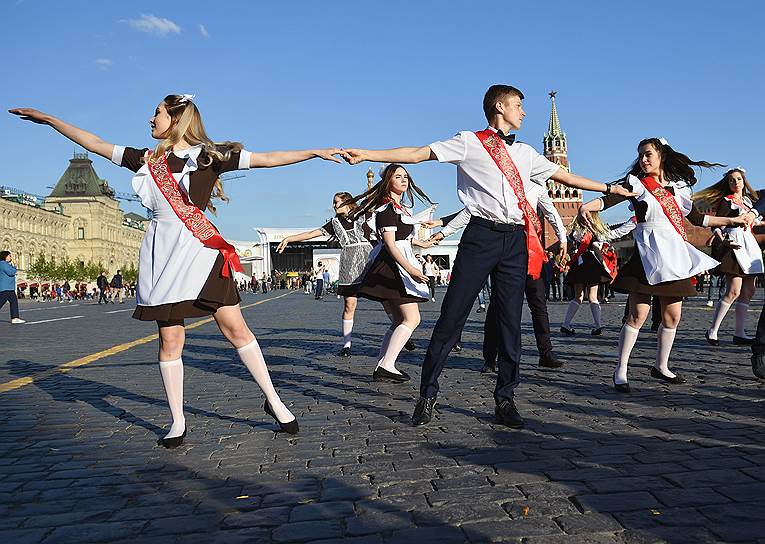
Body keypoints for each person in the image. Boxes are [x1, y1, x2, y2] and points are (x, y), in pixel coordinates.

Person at [11, 96, 345, 447]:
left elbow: (266, 160)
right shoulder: (146, 159)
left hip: (202, 251)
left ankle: (274, 400)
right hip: (162, 253)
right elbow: (94, 143)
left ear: (176, 118)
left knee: (235, 328)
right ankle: (177, 419)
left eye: (156, 113)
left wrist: (314, 152)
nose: (150, 119)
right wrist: (50, 119)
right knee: (170, 338)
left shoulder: (209, 156)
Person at [342, 84, 632, 427]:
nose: (523, 112)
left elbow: (565, 176)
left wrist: (610, 188)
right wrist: (368, 153)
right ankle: (428, 393)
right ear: (499, 106)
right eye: (518, 105)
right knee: (453, 315)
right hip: (481, 235)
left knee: (510, 320)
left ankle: (505, 399)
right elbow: (419, 153)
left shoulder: (525, 153)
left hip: (515, 239)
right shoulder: (469, 141)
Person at [578, 138, 746, 393]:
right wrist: (586, 206)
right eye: (641, 156)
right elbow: (607, 201)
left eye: (648, 155)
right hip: (648, 253)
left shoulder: (679, 189)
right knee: (638, 315)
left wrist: (732, 221)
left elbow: (700, 219)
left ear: (662, 155)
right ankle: (621, 369)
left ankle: (661, 366)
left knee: (672, 317)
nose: (643, 160)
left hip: (674, 253)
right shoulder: (636, 184)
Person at [343, 164, 434, 383]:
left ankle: (383, 365)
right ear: (388, 182)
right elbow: (391, 245)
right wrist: (411, 269)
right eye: (398, 177)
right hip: (394, 268)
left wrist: (425, 242)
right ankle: (387, 365)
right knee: (412, 318)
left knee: (398, 320)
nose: (404, 180)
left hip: (396, 266)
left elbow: (404, 239)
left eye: (406, 176)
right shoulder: (386, 209)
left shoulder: (400, 208)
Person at [277, 192, 375, 356]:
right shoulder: (334, 223)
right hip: (349, 263)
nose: (334, 205)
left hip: (368, 259)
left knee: (386, 297)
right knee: (349, 304)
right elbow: (311, 234)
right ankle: (347, 345)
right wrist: (289, 239)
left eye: (336, 202)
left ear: (347, 202)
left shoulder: (363, 214)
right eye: (333, 202)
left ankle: (400, 328)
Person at [693, 167, 763, 346]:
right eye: (732, 180)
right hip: (734, 244)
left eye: (738, 179)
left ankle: (739, 333)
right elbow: (717, 225)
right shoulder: (726, 201)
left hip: (750, 245)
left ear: (744, 181)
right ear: (728, 183)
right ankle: (713, 330)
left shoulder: (749, 203)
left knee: (749, 291)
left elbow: (755, 221)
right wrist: (722, 239)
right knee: (733, 291)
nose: (736, 183)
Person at [561, 213, 634, 336]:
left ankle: (566, 324)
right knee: (592, 297)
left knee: (578, 296)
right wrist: (606, 268)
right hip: (591, 264)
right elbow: (597, 250)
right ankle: (597, 325)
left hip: (579, 264)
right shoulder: (596, 232)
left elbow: (571, 241)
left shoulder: (576, 231)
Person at [0, 251, 25, 324]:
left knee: (14, 302)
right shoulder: (3, 264)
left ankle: (15, 318)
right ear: (5, 256)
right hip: (6, 287)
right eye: (9, 256)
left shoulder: (5, 264)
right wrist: (15, 266)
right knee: (1, 302)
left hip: (9, 288)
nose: (11, 257)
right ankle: (15, 317)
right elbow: (11, 272)